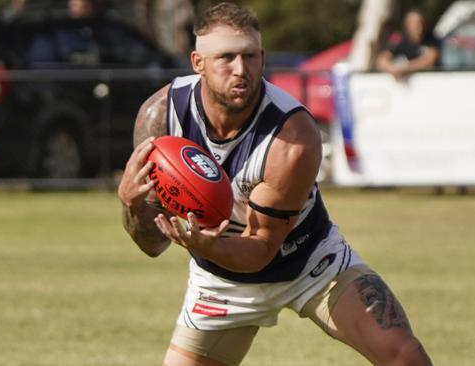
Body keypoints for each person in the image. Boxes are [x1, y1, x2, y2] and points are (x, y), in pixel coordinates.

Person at [118, 3, 433, 366]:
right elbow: (152, 245)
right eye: (226, 57)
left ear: (262, 57)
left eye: (250, 56)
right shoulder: (161, 117)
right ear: (197, 62)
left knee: (404, 356)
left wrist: (208, 245)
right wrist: (130, 203)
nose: (241, 70)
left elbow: (261, 249)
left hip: (310, 261)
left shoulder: (292, 136)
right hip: (220, 280)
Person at [375, 9, 439, 79]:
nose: (418, 26)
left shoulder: (431, 38)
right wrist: (391, 68)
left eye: (420, 22)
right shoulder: (399, 39)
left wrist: (404, 68)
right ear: (407, 24)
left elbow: (429, 60)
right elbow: (381, 59)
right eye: (413, 23)